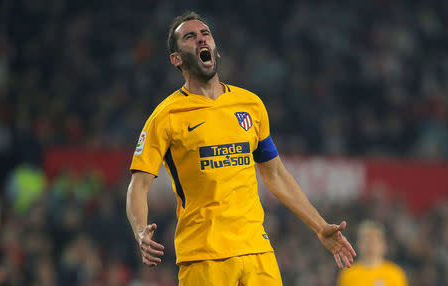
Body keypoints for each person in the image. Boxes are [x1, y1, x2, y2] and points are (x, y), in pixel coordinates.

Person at [126, 11, 356, 285]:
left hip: (257, 251)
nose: (201, 39)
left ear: (215, 50)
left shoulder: (251, 105)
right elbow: (138, 185)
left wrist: (320, 226)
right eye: (190, 36)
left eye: (205, 34)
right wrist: (141, 231)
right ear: (176, 58)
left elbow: (276, 174)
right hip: (203, 255)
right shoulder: (165, 117)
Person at [337, 221, 408, 286]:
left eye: (374, 240)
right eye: (366, 240)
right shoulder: (347, 274)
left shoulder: (395, 274)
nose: (370, 245)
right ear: (358, 244)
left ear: (384, 245)